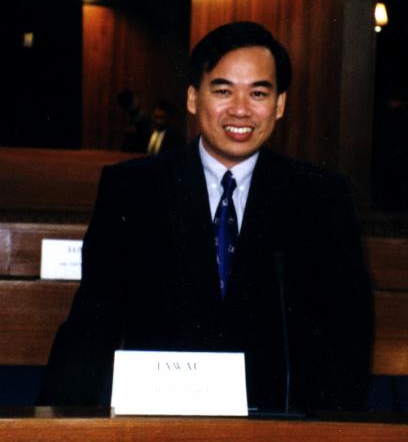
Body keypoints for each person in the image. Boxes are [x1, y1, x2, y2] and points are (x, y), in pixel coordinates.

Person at [38, 21, 373, 412]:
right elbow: (94, 322)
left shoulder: (322, 197)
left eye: (259, 92)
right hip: (160, 421)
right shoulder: (132, 189)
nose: (241, 109)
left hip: (278, 425)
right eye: (223, 90)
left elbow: (346, 335)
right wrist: (58, 421)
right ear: (194, 98)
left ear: (280, 104)